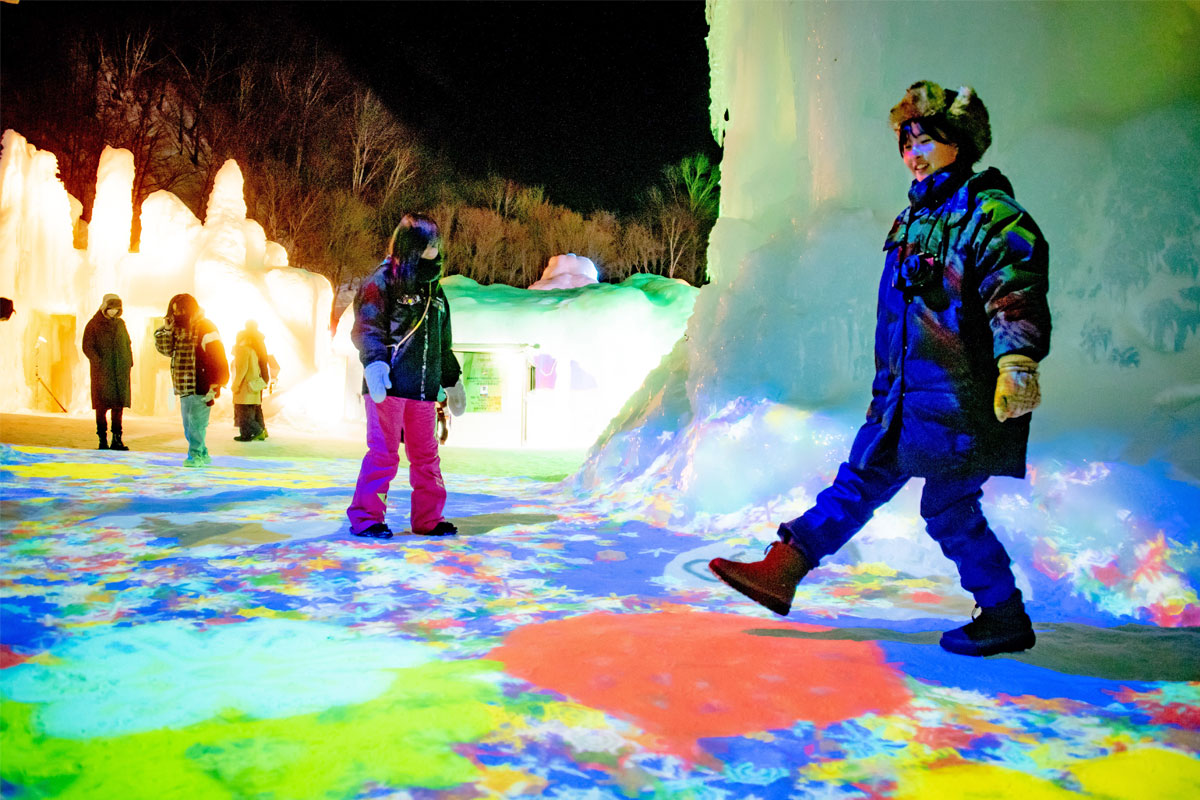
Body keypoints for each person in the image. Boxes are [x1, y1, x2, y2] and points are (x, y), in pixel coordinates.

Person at [709, 81, 1051, 658]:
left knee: (947, 507)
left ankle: (1003, 614)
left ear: (958, 144)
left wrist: (1016, 362)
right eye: (905, 141)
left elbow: (1013, 289)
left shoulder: (988, 214)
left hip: (961, 397)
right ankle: (782, 568)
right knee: (860, 477)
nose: (913, 153)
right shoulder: (913, 219)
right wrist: (886, 387)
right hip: (902, 394)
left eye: (927, 140)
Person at [347, 212, 466, 539]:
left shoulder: (436, 294)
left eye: (437, 242)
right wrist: (374, 363)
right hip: (389, 386)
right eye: (430, 242)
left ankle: (429, 519)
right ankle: (367, 517)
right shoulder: (383, 281)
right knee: (383, 454)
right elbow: (367, 326)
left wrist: (452, 379)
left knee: (427, 458)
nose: (436, 248)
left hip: (424, 392)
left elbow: (443, 344)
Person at [154, 293, 229, 467]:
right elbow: (165, 350)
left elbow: (218, 355)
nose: (178, 314)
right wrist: (166, 330)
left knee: (196, 425)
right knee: (188, 426)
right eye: (174, 311)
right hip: (183, 385)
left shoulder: (205, 327)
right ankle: (202, 453)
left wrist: (217, 382)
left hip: (201, 384)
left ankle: (196, 455)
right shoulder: (177, 328)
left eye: (181, 310)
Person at [81, 293, 133, 451]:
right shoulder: (94, 324)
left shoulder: (120, 324)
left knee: (118, 408)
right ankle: (102, 440)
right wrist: (98, 362)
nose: (114, 312)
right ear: (105, 307)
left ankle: (117, 440)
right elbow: (87, 346)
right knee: (102, 407)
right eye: (111, 309)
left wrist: (128, 362)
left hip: (119, 372)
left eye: (117, 309)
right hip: (102, 373)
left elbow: (127, 343)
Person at [230, 321, 269, 442]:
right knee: (252, 410)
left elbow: (242, 370)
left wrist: (235, 385)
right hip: (254, 384)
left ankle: (258, 431)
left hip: (245, 387)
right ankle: (247, 434)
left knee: (243, 413)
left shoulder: (243, 350)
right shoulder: (255, 348)